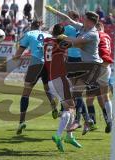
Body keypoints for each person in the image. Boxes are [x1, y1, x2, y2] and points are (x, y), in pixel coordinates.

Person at [45, 6, 103, 135]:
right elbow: (68, 19)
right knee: (72, 90)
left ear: (90, 21)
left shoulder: (92, 34)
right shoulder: (84, 28)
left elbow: (76, 42)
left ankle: (79, 121)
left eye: (85, 19)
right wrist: (54, 11)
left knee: (75, 91)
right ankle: (86, 120)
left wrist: (62, 37)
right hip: (84, 65)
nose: (82, 20)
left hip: (93, 67)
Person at [12, 20, 57, 135]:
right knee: (47, 87)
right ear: (41, 26)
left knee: (26, 93)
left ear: (31, 26)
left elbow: (18, 54)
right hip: (48, 64)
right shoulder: (48, 35)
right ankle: (53, 106)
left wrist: (15, 58)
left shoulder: (29, 34)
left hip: (35, 64)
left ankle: (21, 122)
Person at [44, 23, 82, 152]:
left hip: (51, 80)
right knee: (70, 108)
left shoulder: (47, 42)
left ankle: (69, 136)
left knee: (71, 107)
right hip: (59, 79)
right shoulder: (60, 45)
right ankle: (58, 135)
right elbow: (76, 42)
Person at [86, 22, 113, 133]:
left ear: (97, 28)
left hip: (96, 68)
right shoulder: (107, 36)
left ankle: (92, 122)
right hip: (107, 67)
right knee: (104, 97)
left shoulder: (96, 36)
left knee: (89, 100)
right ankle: (109, 121)